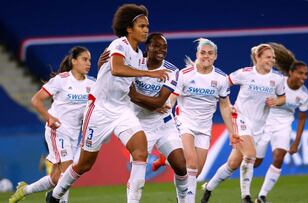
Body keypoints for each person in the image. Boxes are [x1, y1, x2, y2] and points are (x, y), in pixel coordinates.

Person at [47, 4, 169, 203]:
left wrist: (153, 102)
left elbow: (127, 85)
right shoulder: (119, 45)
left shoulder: (139, 55)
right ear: (129, 29)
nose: (146, 29)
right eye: (141, 26)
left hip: (122, 110)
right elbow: (117, 68)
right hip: (99, 110)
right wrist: (148, 72)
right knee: (84, 165)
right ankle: (55, 195)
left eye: (147, 26)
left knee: (140, 153)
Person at [9, 46, 96, 203]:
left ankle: (25, 190)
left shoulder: (92, 84)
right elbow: (35, 100)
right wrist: (48, 117)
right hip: (57, 130)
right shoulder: (61, 80)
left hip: (75, 134)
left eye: (89, 60)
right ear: (74, 61)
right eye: (84, 59)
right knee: (69, 170)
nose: (88, 63)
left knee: (56, 179)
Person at [201, 43, 286, 203]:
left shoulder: (277, 79)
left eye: (273, 57)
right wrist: (228, 105)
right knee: (250, 155)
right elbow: (223, 84)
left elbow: (283, 97)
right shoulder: (244, 73)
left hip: (260, 127)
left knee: (233, 164)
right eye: (268, 57)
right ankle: (245, 197)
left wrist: (276, 101)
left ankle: (208, 188)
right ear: (257, 58)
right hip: (240, 120)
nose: (272, 60)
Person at [168, 38, 237, 203]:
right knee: (191, 164)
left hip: (204, 128)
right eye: (203, 52)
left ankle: (181, 197)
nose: (206, 56)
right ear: (197, 54)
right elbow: (171, 99)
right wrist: (161, 114)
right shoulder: (184, 74)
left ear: (216, 56)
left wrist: (232, 132)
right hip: (184, 122)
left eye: (210, 53)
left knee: (194, 172)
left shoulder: (221, 78)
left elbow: (225, 106)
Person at [128, 32, 188, 202]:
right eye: (156, 46)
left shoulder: (172, 71)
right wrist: (151, 103)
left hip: (164, 125)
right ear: (147, 46)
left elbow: (159, 101)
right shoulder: (134, 64)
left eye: (165, 47)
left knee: (181, 166)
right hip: (138, 127)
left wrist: (136, 97)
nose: (161, 50)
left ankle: (182, 200)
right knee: (138, 176)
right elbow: (153, 103)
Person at [255, 58, 308, 203]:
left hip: (284, 125)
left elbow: (302, 118)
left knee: (279, 157)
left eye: (306, 74)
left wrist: (296, 142)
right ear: (291, 73)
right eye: (300, 73)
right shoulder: (277, 82)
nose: (304, 77)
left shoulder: (305, 95)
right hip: (266, 120)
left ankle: (262, 196)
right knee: (256, 161)